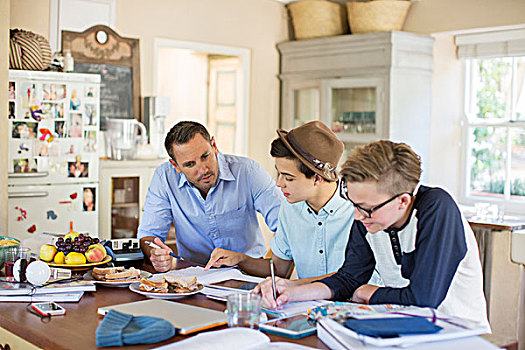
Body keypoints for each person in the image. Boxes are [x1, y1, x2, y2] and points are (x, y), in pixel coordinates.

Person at [256, 140, 489, 328]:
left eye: (365, 208)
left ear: (402, 201)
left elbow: (424, 299)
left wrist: (368, 292)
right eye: (354, 204)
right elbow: (349, 278)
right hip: (406, 330)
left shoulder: (438, 209)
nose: (357, 216)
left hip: (458, 335)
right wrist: (292, 292)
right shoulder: (369, 216)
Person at [205, 121, 355, 282]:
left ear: (317, 178)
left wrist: (296, 287)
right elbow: (278, 269)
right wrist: (240, 259)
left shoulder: (360, 212)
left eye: (288, 178)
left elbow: (358, 279)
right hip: (308, 306)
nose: (279, 183)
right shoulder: (290, 209)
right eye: (279, 174)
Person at [137, 121, 283, 270]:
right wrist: (155, 254)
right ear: (176, 166)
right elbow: (149, 235)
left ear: (214, 145)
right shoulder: (164, 178)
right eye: (190, 164)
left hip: (247, 271)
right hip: (194, 275)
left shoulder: (248, 172)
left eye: (205, 156)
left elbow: (286, 224)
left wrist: (275, 263)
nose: (203, 170)